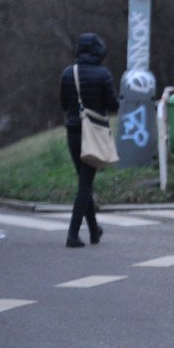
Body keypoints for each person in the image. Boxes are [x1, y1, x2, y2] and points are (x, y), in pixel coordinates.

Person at [59, 33, 120, 248]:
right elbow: (113, 105)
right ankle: (72, 235)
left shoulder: (68, 72)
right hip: (93, 133)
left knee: (84, 181)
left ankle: (94, 230)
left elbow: (64, 105)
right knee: (85, 184)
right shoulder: (103, 74)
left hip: (73, 132)